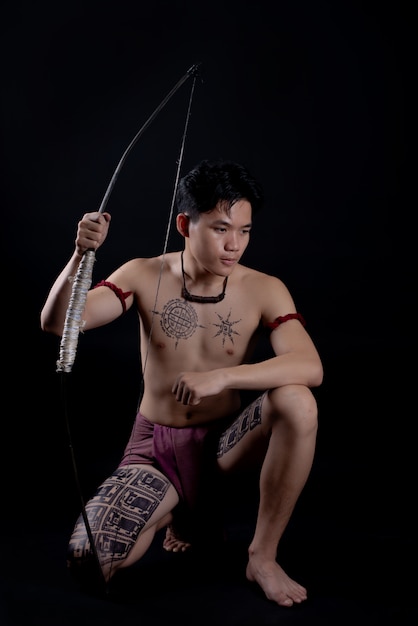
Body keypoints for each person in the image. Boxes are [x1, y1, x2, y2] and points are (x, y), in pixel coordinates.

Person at [40, 158, 323, 608]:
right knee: (90, 562)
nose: (234, 245)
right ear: (184, 224)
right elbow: (59, 324)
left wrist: (222, 378)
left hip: (227, 447)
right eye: (220, 228)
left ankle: (262, 557)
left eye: (245, 231)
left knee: (298, 400)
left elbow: (311, 366)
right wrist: (80, 256)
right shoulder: (143, 273)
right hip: (156, 450)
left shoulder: (265, 288)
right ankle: (182, 512)